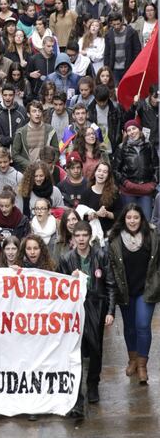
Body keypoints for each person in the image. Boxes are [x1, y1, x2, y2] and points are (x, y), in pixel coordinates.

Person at [59, 221, 115, 416]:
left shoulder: (100, 255)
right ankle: (77, 387)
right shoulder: (66, 258)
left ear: (90, 236)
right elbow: (59, 287)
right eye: (78, 235)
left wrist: (110, 311)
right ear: (73, 237)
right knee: (76, 349)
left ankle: (93, 384)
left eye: (84, 235)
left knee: (96, 348)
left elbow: (109, 284)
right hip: (76, 309)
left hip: (97, 306)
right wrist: (70, 278)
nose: (81, 239)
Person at [108, 204, 160, 384]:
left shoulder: (152, 236)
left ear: (141, 219)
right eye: (129, 217)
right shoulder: (114, 239)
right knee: (129, 327)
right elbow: (111, 265)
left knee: (143, 325)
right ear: (124, 219)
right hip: (125, 290)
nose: (132, 221)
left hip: (146, 289)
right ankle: (132, 360)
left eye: (136, 218)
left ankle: (143, 365)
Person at [113, 119, 158, 220]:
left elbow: (156, 166)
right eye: (128, 130)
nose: (132, 132)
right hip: (128, 191)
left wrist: (154, 183)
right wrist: (125, 182)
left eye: (134, 128)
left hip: (146, 190)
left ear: (139, 129)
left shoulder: (149, 146)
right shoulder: (122, 148)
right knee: (130, 221)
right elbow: (115, 170)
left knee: (146, 220)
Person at [12, 100, 59, 173]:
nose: (37, 114)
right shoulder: (21, 132)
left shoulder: (50, 130)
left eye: (39, 111)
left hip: (46, 171)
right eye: (34, 111)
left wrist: (49, 164)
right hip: (29, 171)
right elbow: (15, 155)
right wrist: (29, 164)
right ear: (28, 114)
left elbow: (56, 151)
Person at [82, 160, 122, 237]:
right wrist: (96, 214)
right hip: (91, 234)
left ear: (108, 176)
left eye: (105, 172)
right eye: (99, 170)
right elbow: (82, 216)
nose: (101, 174)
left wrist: (107, 214)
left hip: (109, 234)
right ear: (95, 173)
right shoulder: (86, 193)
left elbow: (120, 214)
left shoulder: (114, 193)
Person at [0, 188, 29, 252]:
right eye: (1, 206)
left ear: (13, 204)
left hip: (16, 255)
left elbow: (26, 242)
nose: (3, 209)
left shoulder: (23, 220)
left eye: (7, 206)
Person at [103, 12, 141, 85]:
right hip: (114, 68)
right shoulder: (109, 35)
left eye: (118, 24)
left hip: (128, 66)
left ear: (122, 22)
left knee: (127, 88)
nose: (116, 26)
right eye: (114, 24)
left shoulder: (132, 32)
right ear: (111, 24)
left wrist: (134, 66)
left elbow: (137, 50)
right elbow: (107, 53)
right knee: (115, 89)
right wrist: (106, 68)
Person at [0, 84, 28, 153]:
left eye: (10, 95)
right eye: (5, 95)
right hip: (1, 155)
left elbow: (26, 132)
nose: (8, 98)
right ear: (2, 95)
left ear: (14, 95)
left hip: (19, 153)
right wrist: (8, 140)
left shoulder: (22, 111)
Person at [87, 85, 122, 156]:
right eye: (99, 101)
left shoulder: (116, 109)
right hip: (96, 147)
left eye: (104, 101)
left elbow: (120, 125)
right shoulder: (90, 109)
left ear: (108, 98)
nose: (102, 104)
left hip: (112, 147)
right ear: (95, 99)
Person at [0, 147, 23, 213]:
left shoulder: (18, 176)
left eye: (5, 162)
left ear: (10, 160)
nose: (3, 165)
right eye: (0, 162)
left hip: (16, 216)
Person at [127, 83, 159, 151]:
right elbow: (129, 118)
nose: (157, 100)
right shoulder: (142, 104)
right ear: (150, 95)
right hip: (147, 142)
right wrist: (134, 105)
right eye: (155, 97)